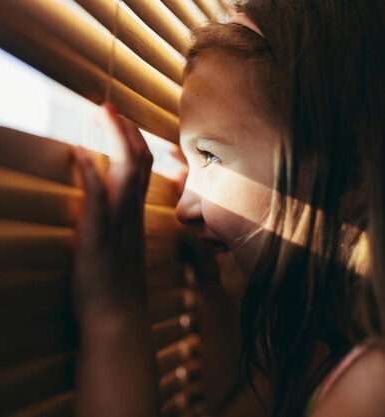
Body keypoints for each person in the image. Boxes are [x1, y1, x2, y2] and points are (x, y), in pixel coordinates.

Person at [71, 1, 385, 416]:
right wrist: (206, 275)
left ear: (346, 173)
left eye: (211, 156)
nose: (183, 208)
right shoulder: (318, 351)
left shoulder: (369, 390)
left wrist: (114, 315)